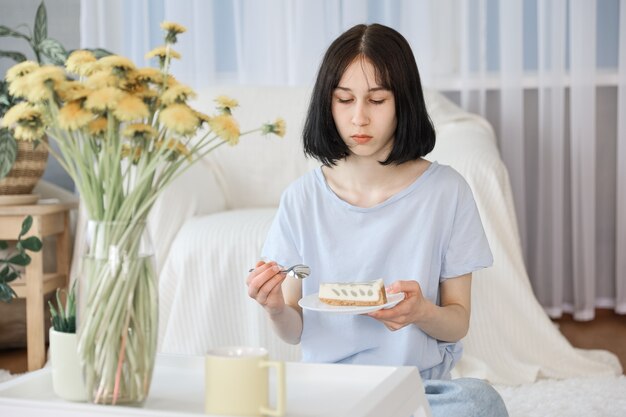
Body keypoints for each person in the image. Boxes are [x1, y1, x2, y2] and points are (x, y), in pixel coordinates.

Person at [246, 23, 509, 417]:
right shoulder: (301, 199)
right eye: (344, 100)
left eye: (377, 100)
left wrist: (422, 312)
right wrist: (274, 309)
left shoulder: (447, 192)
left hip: (417, 389)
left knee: (479, 403)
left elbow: (457, 323)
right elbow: (294, 329)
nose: (359, 119)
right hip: (328, 392)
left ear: (403, 101)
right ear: (327, 103)